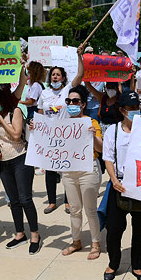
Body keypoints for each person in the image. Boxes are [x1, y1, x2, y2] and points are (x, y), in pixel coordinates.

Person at [36, 84, 103, 259]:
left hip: (88, 169)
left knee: (90, 209)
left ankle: (95, 243)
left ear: (82, 104)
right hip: (69, 171)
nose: (71, 103)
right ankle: (76, 241)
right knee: (74, 209)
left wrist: (93, 135)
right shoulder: (62, 124)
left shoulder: (91, 122)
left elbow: (101, 149)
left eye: (75, 101)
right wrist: (35, 129)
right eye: (69, 100)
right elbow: (48, 139)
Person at [0, 84, 41, 255]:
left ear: (3, 100)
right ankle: (20, 233)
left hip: (21, 158)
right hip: (4, 162)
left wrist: (1, 122)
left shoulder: (15, 112)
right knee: (13, 200)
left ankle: (35, 235)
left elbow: (15, 134)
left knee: (25, 198)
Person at [102, 91, 141, 280]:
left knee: (140, 229)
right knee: (114, 228)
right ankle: (113, 263)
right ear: (122, 110)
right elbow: (108, 158)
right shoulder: (112, 132)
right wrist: (114, 180)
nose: (134, 111)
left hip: (140, 184)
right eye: (130, 108)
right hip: (119, 184)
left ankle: (137, 265)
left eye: (136, 107)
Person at [36, 46, 85, 214]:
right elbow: (41, 114)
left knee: (66, 169)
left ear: (64, 78)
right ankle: (51, 201)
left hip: (67, 135)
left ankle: (67, 201)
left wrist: (80, 57)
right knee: (50, 169)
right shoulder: (44, 93)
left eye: (58, 74)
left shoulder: (67, 90)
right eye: (53, 74)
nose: (55, 76)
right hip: (50, 136)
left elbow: (80, 75)